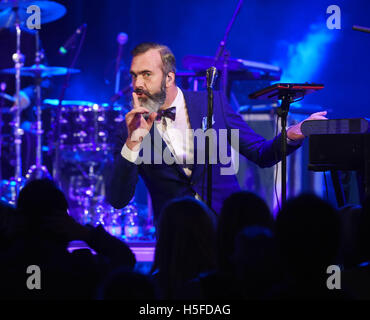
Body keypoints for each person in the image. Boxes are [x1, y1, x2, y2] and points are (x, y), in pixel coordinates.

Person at [105, 42, 328, 220]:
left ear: (169, 77)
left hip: (227, 228)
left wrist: (291, 134)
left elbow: (261, 153)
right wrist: (134, 142)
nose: (137, 83)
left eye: (146, 74)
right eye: (134, 75)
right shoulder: (127, 129)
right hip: (176, 238)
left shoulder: (213, 103)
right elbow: (118, 199)